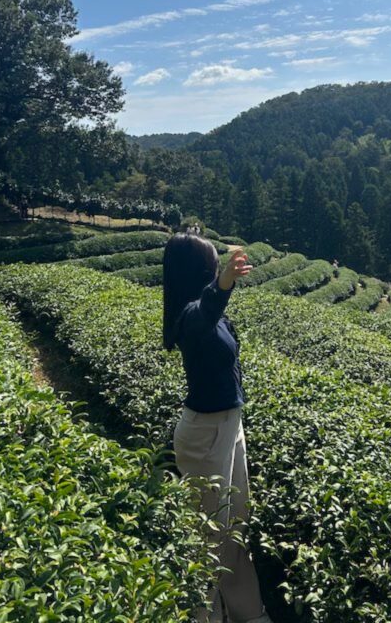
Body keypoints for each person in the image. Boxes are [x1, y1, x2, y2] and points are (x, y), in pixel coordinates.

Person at [163, 233, 273, 623]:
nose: (216, 269)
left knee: (235, 530)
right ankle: (205, 617)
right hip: (206, 435)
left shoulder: (209, 313)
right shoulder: (189, 316)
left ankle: (249, 614)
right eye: (211, 265)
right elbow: (204, 312)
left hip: (229, 426)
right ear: (200, 272)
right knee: (209, 539)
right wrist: (223, 283)